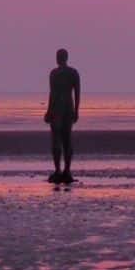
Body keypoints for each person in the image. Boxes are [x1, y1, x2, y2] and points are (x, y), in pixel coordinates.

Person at [44, 48, 80, 184]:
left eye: (58, 56)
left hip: (58, 110)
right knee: (66, 140)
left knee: (57, 141)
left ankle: (60, 170)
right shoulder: (73, 73)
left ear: (60, 58)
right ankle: (65, 170)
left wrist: (49, 111)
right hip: (68, 109)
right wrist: (76, 110)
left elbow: (52, 94)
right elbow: (77, 94)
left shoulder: (55, 74)